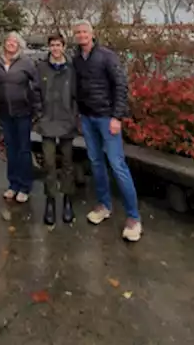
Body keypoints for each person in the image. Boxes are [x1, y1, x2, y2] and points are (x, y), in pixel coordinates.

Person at [71, 20, 141, 242]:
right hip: (88, 118)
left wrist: (116, 116)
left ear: (92, 34)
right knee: (95, 162)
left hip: (107, 118)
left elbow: (120, 84)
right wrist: (80, 115)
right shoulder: (77, 59)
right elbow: (78, 89)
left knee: (117, 164)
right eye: (78, 32)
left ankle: (133, 217)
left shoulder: (106, 56)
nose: (81, 35)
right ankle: (104, 205)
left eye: (85, 32)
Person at [0, 31, 40, 203]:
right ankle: (13, 184)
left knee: (23, 150)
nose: (11, 43)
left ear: (19, 45)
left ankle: (25, 186)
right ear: (4, 43)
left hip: (23, 112)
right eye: (8, 40)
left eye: (14, 41)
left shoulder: (26, 63)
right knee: (10, 149)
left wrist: (34, 106)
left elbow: (36, 84)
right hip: (5, 112)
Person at [35, 33, 79, 226]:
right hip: (47, 122)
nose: (55, 48)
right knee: (49, 164)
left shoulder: (71, 69)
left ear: (64, 46)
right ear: (49, 47)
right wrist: (38, 113)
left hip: (67, 121)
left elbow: (78, 94)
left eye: (58, 45)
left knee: (68, 164)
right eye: (52, 45)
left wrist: (74, 115)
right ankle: (50, 201)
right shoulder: (41, 67)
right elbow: (35, 91)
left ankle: (68, 200)